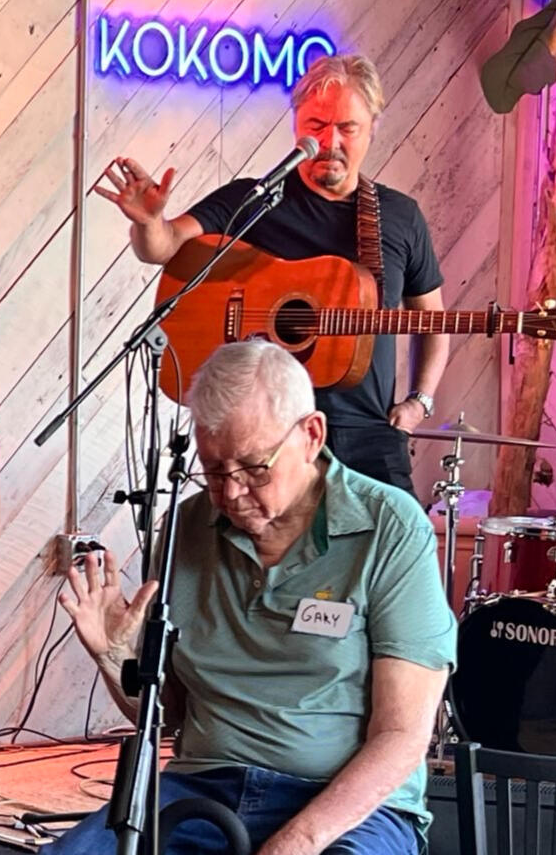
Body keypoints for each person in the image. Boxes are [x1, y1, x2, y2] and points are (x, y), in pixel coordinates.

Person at [46, 340, 456, 855]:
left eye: (255, 468)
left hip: (347, 807)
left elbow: (402, 736)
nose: (233, 493)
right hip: (205, 784)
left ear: (311, 435)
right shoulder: (185, 528)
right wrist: (115, 657)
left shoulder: (389, 526)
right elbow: (169, 716)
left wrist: (296, 842)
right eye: (215, 471)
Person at [96, 53, 449, 495]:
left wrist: (419, 402)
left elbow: (433, 321)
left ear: (373, 127)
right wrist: (149, 223)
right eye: (317, 125)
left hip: (368, 433)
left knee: (402, 535)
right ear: (296, 124)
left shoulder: (399, 217)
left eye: (347, 128)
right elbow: (164, 247)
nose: (330, 141)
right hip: (264, 436)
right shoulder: (252, 201)